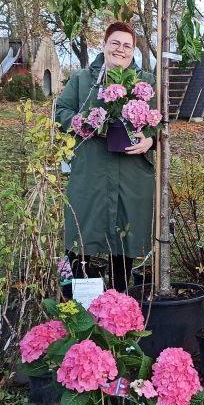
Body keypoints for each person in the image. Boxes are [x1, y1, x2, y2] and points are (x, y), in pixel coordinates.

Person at [54, 21, 155, 292]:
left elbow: (161, 122)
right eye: (115, 43)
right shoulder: (82, 80)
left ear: (133, 50)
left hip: (131, 172)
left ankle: (119, 297)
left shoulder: (146, 82)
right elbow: (60, 110)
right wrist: (85, 123)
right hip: (90, 170)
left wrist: (150, 140)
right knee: (80, 232)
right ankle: (73, 299)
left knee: (125, 236)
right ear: (105, 45)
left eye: (127, 46)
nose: (120, 50)